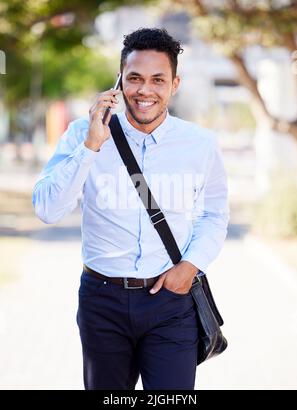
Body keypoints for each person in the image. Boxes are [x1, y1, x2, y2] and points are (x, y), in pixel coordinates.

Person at [33, 27, 229, 390]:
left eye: (158, 79)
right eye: (134, 78)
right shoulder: (83, 134)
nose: (145, 90)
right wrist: (91, 146)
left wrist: (191, 265)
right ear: (119, 82)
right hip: (102, 300)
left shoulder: (199, 144)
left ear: (174, 84)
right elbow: (47, 209)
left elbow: (215, 213)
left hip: (170, 301)